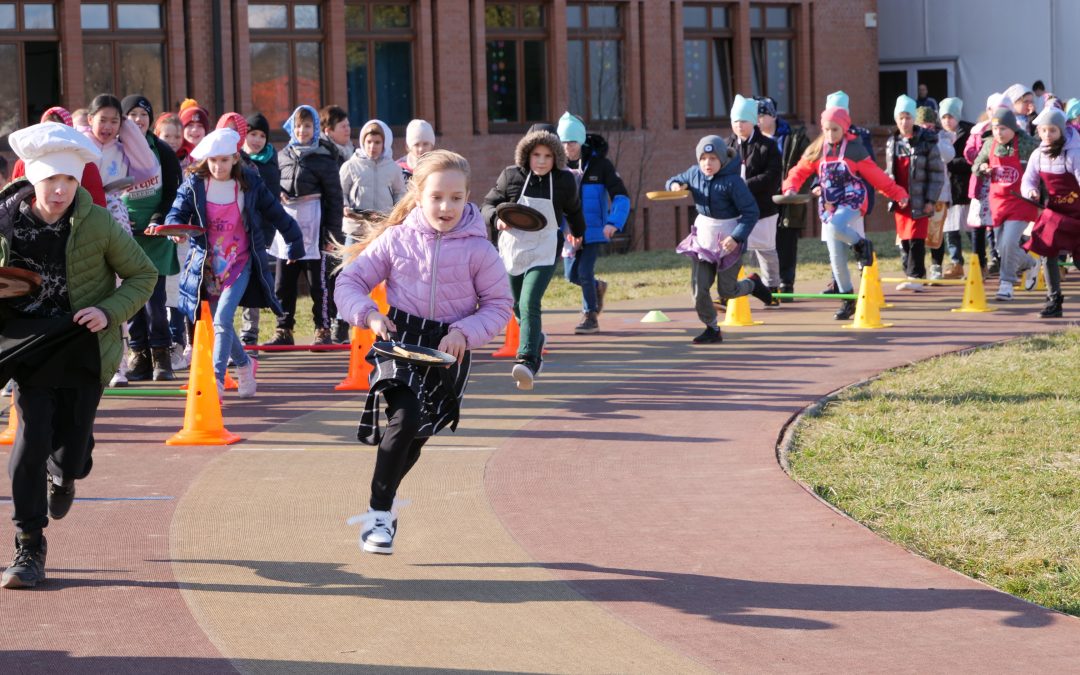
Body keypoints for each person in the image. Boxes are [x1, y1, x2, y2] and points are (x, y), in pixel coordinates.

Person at [1, 122, 156, 588]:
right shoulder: (6, 223)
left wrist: (108, 312)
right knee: (29, 444)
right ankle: (29, 545)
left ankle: (65, 474)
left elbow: (143, 276)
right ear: (33, 178)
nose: (61, 190)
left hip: (83, 345)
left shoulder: (100, 223)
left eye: (69, 181)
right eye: (52, 181)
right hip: (28, 346)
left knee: (72, 455)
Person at [335, 150, 512, 554]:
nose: (446, 206)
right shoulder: (397, 239)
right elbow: (349, 283)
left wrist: (465, 332)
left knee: (417, 433)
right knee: (405, 414)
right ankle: (379, 515)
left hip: (448, 347)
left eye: (455, 197)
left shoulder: (479, 251)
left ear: (468, 197)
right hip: (399, 338)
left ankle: (387, 501)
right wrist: (369, 315)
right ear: (418, 194)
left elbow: (499, 306)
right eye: (436, 196)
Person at [166, 129, 304, 394]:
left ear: (235, 159)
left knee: (222, 319)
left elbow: (275, 211)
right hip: (208, 265)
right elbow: (176, 212)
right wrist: (175, 230)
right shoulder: (195, 183)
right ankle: (245, 363)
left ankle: (217, 379)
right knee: (223, 321)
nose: (218, 166)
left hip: (240, 262)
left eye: (224, 160)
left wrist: (294, 242)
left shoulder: (249, 183)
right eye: (213, 160)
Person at [482, 130, 586, 389]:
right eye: (536, 155)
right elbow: (487, 205)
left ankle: (528, 360)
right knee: (516, 304)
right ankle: (536, 338)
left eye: (548, 156)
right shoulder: (511, 176)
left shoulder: (563, 181)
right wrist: (497, 219)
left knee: (529, 301)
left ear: (556, 158)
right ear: (526, 155)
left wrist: (579, 232)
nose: (541, 161)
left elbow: (574, 210)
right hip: (512, 248)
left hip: (545, 249)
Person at [783, 107, 908, 319]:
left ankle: (861, 244)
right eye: (827, 130)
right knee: (835, 256)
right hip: (829, 204)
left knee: (835, 226)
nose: (831, 134)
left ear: (844, 128)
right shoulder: (817, 150)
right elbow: (798, 171)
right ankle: (847, 300)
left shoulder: (855, 150)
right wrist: (790, 188)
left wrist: (898, 194)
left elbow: (877, 176)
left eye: (835, 129)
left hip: (852, 200)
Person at [669, 135, 771, 342]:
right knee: (699, 290)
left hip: (729, 238)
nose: (708, 163)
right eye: (703, 158)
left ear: (723, 160)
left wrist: (736, 237)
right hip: (704, 238)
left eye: (713, 158)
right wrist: (675, 185)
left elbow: (751, 212)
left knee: (728, 290)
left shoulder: (733, 182)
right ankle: (712, 328)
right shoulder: (694, 173)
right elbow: (674, 179)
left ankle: (752, 284)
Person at [120, 94, 183, 382]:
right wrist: (118, 217)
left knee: (154, 301)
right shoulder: (114, 151)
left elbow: (172, 191)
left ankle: (161, 355)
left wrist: (160, 218)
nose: (138, 120)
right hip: (125, 236)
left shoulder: (163, 151)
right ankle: (138, 354)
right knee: (131, 301)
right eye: (132, 115)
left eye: (144, 115)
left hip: (155, 235)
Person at [269, 105, 344, 346]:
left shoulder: (324, 158)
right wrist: (278, 192)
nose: (303, 130)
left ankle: (322, 328)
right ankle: (283, 328)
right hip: (287, 229)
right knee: (283, 283)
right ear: (292, 127)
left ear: (315, 129)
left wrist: (332, 235)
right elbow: (271, 186)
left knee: (318, 284)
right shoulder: (282, 156)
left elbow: (335, 199)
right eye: (299, 126)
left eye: (308, 126)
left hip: (316, 229)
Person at [556, 111, 629, 334]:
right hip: (569, 232)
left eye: (572, 142)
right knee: (572, 276)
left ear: (581, 140)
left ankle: (590, 316)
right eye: (564, 142)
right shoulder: (556, 166)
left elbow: (621, 195)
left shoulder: (600, 165)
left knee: (585, 272)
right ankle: (598, 288)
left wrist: (613, 223)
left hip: (594, 229)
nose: (568, 147)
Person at [973, 108, 1042, 300]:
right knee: (1001, 248)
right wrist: (982, 167)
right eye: (995, 128)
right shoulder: (989, 145)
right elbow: (975, 164)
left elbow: (1041, 164)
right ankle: (1030, 263)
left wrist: (1040, 193)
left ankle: (1006, 283)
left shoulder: (1028, 143)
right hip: (998, 202)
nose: (998, 133)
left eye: (1003, 128)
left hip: (1021, 201)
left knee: (1010, 242)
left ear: (1013, 128)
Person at [1022, 106, 1080, 318]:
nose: (1047, 135)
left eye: (1052, 130)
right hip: (1054, 213)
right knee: (1047, 252)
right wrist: (1031, 191)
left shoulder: (1075, 153)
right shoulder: (1038, 154)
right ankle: (1054, 300)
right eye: (1044, 130)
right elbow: (1028, 180)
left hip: (1077, 213)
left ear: (1061, 130)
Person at [885, 95, 945, 291]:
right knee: (904, 239)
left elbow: (936, 174)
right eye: (901, 117)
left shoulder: (927, 142)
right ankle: (911, 273)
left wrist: (930, 199)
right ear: (896, 119)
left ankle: (916, 276)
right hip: (901, 200)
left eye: (908, 117)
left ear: (914, 119)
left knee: (916, 238)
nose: (904, 122)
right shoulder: (892, 142)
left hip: (920, 199)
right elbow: (889, 171)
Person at [729, 95, 783, 305]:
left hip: (762, 207)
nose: (739, 126)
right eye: (735, 121)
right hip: (735, 209)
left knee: (766, 249)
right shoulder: (726, 146)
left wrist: (743, 186)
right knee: (732, 248)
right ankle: (732, 287)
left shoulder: (767, 146)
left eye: (743, 121)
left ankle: (772, 288)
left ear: (753, 122)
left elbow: (772, 176)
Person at [756, 95, 810, 299]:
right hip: (763, 199)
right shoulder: (754, 139)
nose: (758, 120)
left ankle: (786, 284)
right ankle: (768, 283)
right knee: (765, 242)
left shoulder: (794, 137)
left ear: (772, 116)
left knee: (786, 241)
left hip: (788, 199)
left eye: (761, 115)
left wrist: (794, 188)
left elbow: (806, 165)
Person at [10, 107, 106, 208]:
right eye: (50, 178)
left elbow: (97, 205)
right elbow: (15, 201)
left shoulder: (87, 166)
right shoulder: (23, 163)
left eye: (70, 178)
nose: (60, 190)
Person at [239, 112, 280, 348]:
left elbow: (272, 203)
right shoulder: (237, 161)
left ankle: (250, 330)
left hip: (260, 232)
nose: (257, 139)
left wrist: (268, 232)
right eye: (252, 134)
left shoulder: (270, 163)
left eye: (262, 135)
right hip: (236, 230)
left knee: (253, 280)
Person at [964, 93, 1013, 275]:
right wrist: (982, 160)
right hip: (981, 185)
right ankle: (979, 264)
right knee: (978, 224)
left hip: (1003, 186)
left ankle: (1001, 262)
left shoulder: (1015, 132)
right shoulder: (978, 130)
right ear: (988, 111)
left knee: (1000, 225)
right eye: (995, 109)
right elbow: (968, 153)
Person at [916, 106, 956, 280]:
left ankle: (936, 266)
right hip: (917, 194)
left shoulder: (943, 138)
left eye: (929, 125)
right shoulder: (912, 139)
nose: (926, 129)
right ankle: (916, 268)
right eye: (922, 125)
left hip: (938, 194)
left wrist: (935, 139)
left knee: (935, 232)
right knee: (915, 233)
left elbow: (948, 156)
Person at [939, 97, 976, 278]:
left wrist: (950, 163)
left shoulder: (968, 132)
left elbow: (971, 160)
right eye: (944, 117)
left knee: (971, 227)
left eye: (951, 116)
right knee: (950, 227)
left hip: (964, 186)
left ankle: (979, 261)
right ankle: (956, 263)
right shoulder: (938, 135)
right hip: (947, 189)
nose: (947, 121)